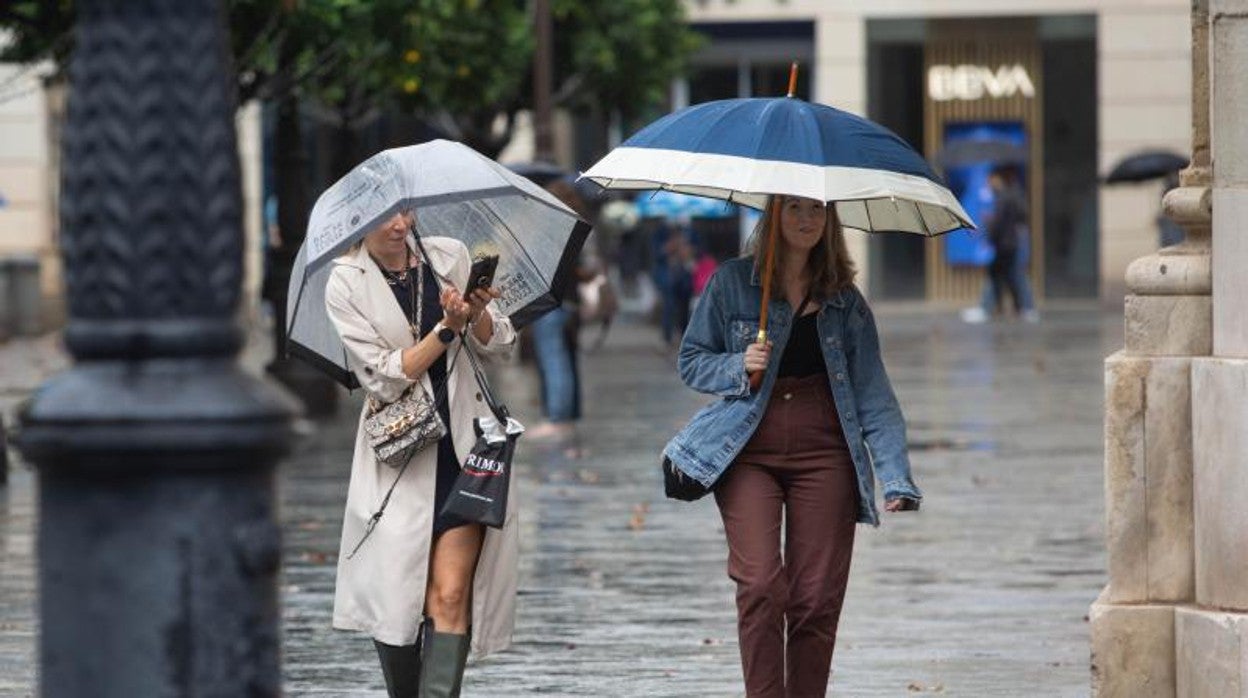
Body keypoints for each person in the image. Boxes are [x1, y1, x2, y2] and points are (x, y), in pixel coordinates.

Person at [667, 195, 921, 697]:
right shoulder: (733, 282)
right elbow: (692, 360)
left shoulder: (845, 300)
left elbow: (874, 393)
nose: (806, 220)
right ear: (774, 216)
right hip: (746, 448)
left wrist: (895, 475)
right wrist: (738, 364)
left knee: (814, 601)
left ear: (829, 223)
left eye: (817, 211)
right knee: (761, 584)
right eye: (795, 209)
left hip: (825, 450)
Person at [324, 209, 518, 698]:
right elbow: (386, 375)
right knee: (397, 605)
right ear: (357, 221)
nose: (399, 225)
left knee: (450, 595)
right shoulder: (346, 283)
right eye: (385, 216)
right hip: (402, 456)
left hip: (468, 451)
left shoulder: (446, 255)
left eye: (405, 211)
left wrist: (476, 315)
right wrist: (445, 329)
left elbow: (502, 345)